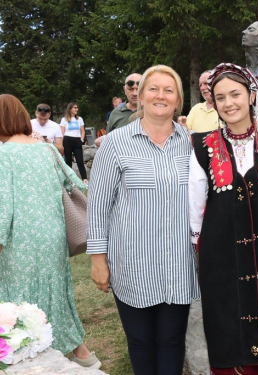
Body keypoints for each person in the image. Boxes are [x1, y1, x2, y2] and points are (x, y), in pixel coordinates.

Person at [87, 65, 199, 375]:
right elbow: (97, 206)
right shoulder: (116, 143)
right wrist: (99, 259)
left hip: (178, 263)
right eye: (153, 88)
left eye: (169, 90)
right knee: (140, 340)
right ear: (140, 95)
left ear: (178, 101)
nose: (160, 95)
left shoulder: (191, 145)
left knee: (172, 339)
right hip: (132, 264)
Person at [189, 63, 258, 375]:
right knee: (226, 317)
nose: (229, 103)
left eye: (235, 94)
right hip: (222, 256)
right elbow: (194, 207)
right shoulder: (201, 145)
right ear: (214, 103)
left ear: (251, 96)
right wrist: (200, 249)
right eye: (220, 97)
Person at [0, 94, 101, 369]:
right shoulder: (46, 149)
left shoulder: (3, 154)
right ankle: (81, 352)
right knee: (57, 293)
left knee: (19, 300)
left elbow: (3, 207)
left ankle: (29, 357)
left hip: (18, 241)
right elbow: (72, 185)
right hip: (53, 235)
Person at [60, 102, 87, 185]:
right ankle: (69, 179)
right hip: (67, 140)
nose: (77, 109)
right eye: (75, 108)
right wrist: (61, 144)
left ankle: (84, 179)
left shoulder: (79, 119)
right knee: (68, 161)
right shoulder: (64, 119)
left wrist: (81, 139)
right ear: (70, 109)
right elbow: (62, 132)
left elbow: (82, 131)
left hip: (77, 140)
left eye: (77, 107)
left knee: (80, 161)